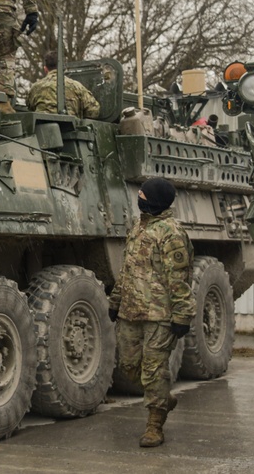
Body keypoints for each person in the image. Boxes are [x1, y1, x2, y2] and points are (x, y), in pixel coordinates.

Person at [108, 177, 195, 448]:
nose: (140, 198)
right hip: (130, 312)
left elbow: (179, 278)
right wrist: (116, 300)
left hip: (160, 315)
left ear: (155, 199)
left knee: (154, 372)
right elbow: (127, 269)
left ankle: (155, 425)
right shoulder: (137, 228)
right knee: (129, 367)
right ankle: (164, 399)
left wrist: (182, 315)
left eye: (144, 195)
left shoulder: (171, 232)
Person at [27, 50, 101, 118]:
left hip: (41, 130)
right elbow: (94, 110)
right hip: (69, 130)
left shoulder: (35, 88)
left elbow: (30, 110)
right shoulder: (76, 86)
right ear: (64, 68)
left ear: (45, 69)